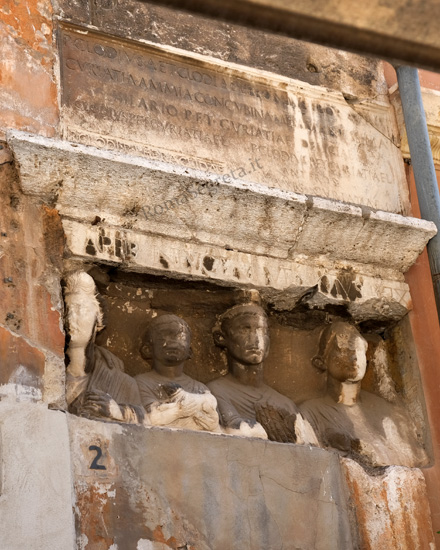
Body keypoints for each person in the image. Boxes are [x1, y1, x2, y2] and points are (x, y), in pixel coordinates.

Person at [300, 321, 429, 468]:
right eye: (343, 349)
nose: (354, 357)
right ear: (322, 361)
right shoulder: (311, 413)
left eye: (359, 349)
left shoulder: (388, 412)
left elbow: (416, 458)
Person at [207, 301, 317, 444]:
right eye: (244, 330)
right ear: (221, 338)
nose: (255, 339)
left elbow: (311, 450)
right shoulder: (216, 391)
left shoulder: (285, 404)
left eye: (262, 330)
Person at [64, 271, 144, 424]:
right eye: (67, 310)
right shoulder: (45, 371)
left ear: (98, 320)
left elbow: (145, 424)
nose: (71, 318)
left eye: (81, 309)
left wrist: (117, 411)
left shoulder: (121, 382)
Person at [135, 314, 221, 433]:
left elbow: (213, 425)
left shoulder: (200, 388)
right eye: (164, 335)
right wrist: (180, 410)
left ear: (190, 352)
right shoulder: (140, 383)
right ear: (147, 349)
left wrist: (212, 424)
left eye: (181, 337)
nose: (174, 342)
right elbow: (150, 418)